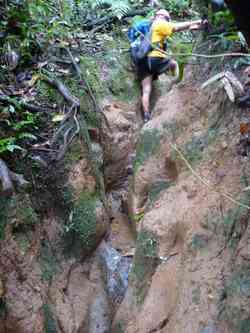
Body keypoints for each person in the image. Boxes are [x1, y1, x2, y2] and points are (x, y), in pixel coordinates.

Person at [134, 9, 205, 122]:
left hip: (143, 62)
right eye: (167, 19)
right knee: (174, 64)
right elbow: (176, 27)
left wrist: (194, 25)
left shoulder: (149, 29)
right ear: (162, 17)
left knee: (146, 90)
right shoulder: (159, 23)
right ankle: (176, 83)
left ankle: (146, 116)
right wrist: (195, 22)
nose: (167, 21)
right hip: (154, 59)